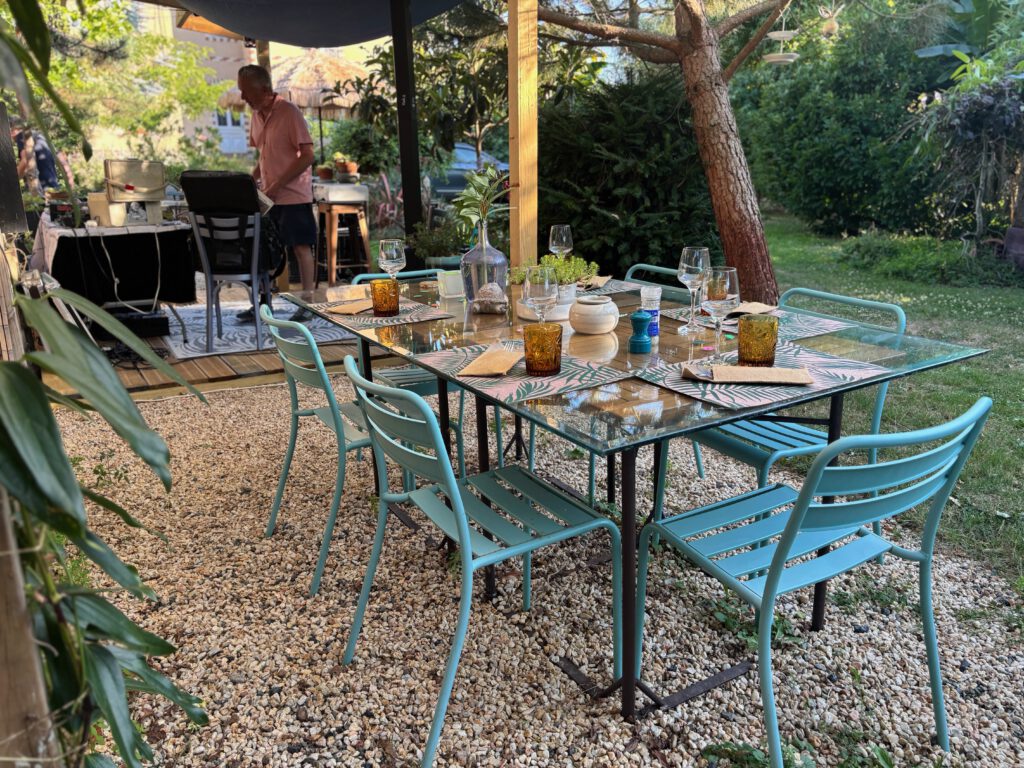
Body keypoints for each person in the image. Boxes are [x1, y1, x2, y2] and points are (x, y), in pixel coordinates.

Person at [237, 64, 317, 321]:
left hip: (293, 195)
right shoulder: (257, 116)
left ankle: (309, 305)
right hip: (268, 196)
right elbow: (264, 156)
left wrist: (279, 184)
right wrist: (249, 182)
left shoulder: (289, 112)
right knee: (261, 249)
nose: (242, 97)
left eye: (246, 91)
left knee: (300, 247)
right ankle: (263, 304)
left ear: (263, 89)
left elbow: (307, 155)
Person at [12, 123, 67, 196]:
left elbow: (25, 161)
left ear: (13, 130)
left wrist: (10, 180)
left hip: (40, 186)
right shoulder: (38, 136)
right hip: (51, 183)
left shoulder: (22, 135)